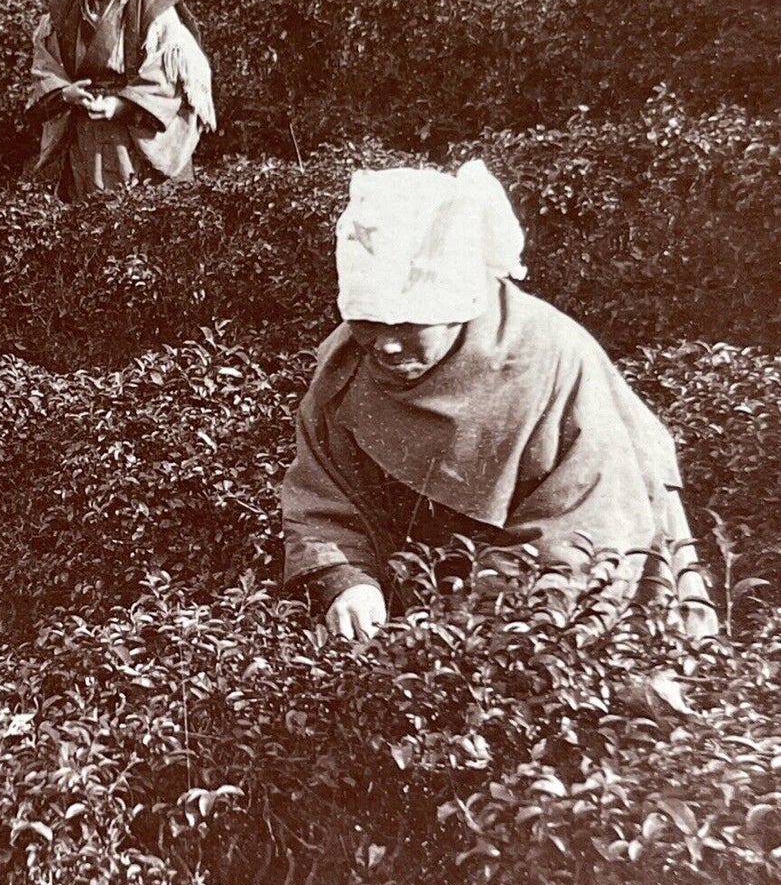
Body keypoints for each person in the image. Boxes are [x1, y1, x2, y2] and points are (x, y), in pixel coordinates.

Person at [280, 160, 718, 642]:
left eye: (408, 324)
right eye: (369, 322)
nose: (385, 345)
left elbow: (584, 532)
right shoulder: (345, 365)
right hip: (428, 596)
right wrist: (348, 582)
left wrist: (474, 623)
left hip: (563, 582)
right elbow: (320, 495)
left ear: (459, 309)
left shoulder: (549, 362)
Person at [29, 0, 215, 201]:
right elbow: (45, 67)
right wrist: (66, 93)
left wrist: (120, 104)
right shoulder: (64, 11)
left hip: (137, 144)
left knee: (144, 227)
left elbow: (170, 79)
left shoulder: (155, 8)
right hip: (85, 147)